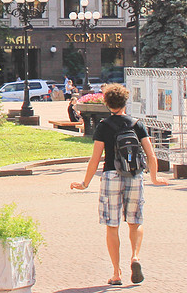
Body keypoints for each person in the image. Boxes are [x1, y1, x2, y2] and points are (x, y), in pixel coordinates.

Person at [70, 83, 168, 286]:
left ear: (106, 103)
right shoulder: (137, 124)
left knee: (111, 225)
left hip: (111, 177)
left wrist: (85, 183)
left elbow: (95, 159)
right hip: (134, 175)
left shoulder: (103, 126)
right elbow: (150, 154)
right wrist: (155, 178)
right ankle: (135, 257)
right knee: (135, 221)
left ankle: (116, 273)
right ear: (125, 102)